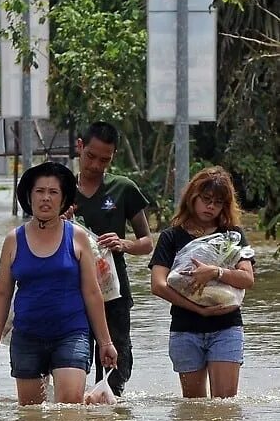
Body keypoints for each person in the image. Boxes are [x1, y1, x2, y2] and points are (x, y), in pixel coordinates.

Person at [0, 162, 118, 405]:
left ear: (63, 200)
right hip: (27, 337)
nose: (46, 198)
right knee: (32, 418)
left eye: (53, 192)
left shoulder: (77, 237)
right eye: (39, 191)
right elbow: (2, 294)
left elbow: (92, 292)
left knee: (68, 408)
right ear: (29, 197)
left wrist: (106, 342)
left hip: (72, 333)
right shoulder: (13, 240)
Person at [149, 166, 254, 398]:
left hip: (226, 326)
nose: (211, 207)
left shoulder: (234, 235)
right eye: (206, 199)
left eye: (218, 202)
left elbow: (247, 278)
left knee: (224, 405)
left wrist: (215, 272)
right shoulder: (171, 236)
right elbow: (158, 285)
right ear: (192, 197)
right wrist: (200, 310)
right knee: (194, 408)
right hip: (186, 328)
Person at [71, 121, 153, 396]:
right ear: (80, 147)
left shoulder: (123, 188)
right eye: (90, 156)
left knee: (113, 363)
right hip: (72, 291)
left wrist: (124, 244)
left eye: (104, 160)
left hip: (113, 291)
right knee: (72, 358)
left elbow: (147, 243)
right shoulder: (59, 189)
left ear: (113, 156)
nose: (95, 165)